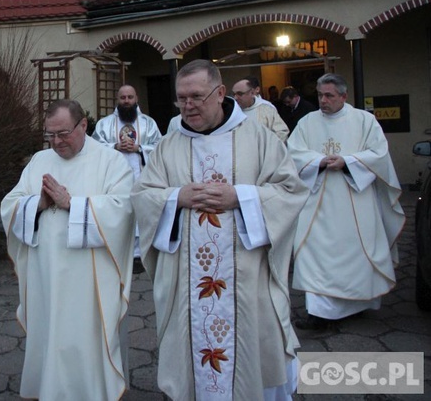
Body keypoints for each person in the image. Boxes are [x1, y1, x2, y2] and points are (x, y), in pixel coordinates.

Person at [131, 59, 308, 400]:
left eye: (196, 96)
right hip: (188, 281)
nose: (188, 106)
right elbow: (142, 196)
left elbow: (291, 191)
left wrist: (240, 197)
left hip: (246, 275)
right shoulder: (170, 144)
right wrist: (176, 197)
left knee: (252, 356)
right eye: (181, 98)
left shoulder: (258, 138)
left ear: (221, 93)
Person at [1, 99, 135, 400]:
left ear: (83, 125)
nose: (57, 142)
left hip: (89, 280)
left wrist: (71, 203)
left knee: (85, 338)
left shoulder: (109, 161)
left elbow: (124, 210)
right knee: (52, 335)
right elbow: (10, 204)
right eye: (50, 135)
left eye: (63, 133)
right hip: (46, 273)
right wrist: (38, 203)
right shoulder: (39, 161)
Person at [288, 73, 405, 330]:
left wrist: (348, 162)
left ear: (344, 96)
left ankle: (357, 304)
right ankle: (319, 314)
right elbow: (292, 152)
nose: (323, 100)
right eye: (320, 95)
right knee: (313, 252)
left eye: (329, 95)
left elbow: (379, 154)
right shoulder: (307, 122)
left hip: (356, 201)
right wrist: (318, 161)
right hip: (317, 203)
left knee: (358, 254)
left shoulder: (364, 121)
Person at [92, 84, 162, 269]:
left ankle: (139, 255)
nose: (126, 101)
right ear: (117, 99)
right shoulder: (104, 124)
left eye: (130, 97)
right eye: (123, 97)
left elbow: (160, 147)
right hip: (114, 179)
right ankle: (119, 251)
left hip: (141, 177)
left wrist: (139, 148)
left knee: (139, 211)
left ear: (136, 98)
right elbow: (93, 147)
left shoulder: (148, 123)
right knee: (118, 211)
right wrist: (115, 146)